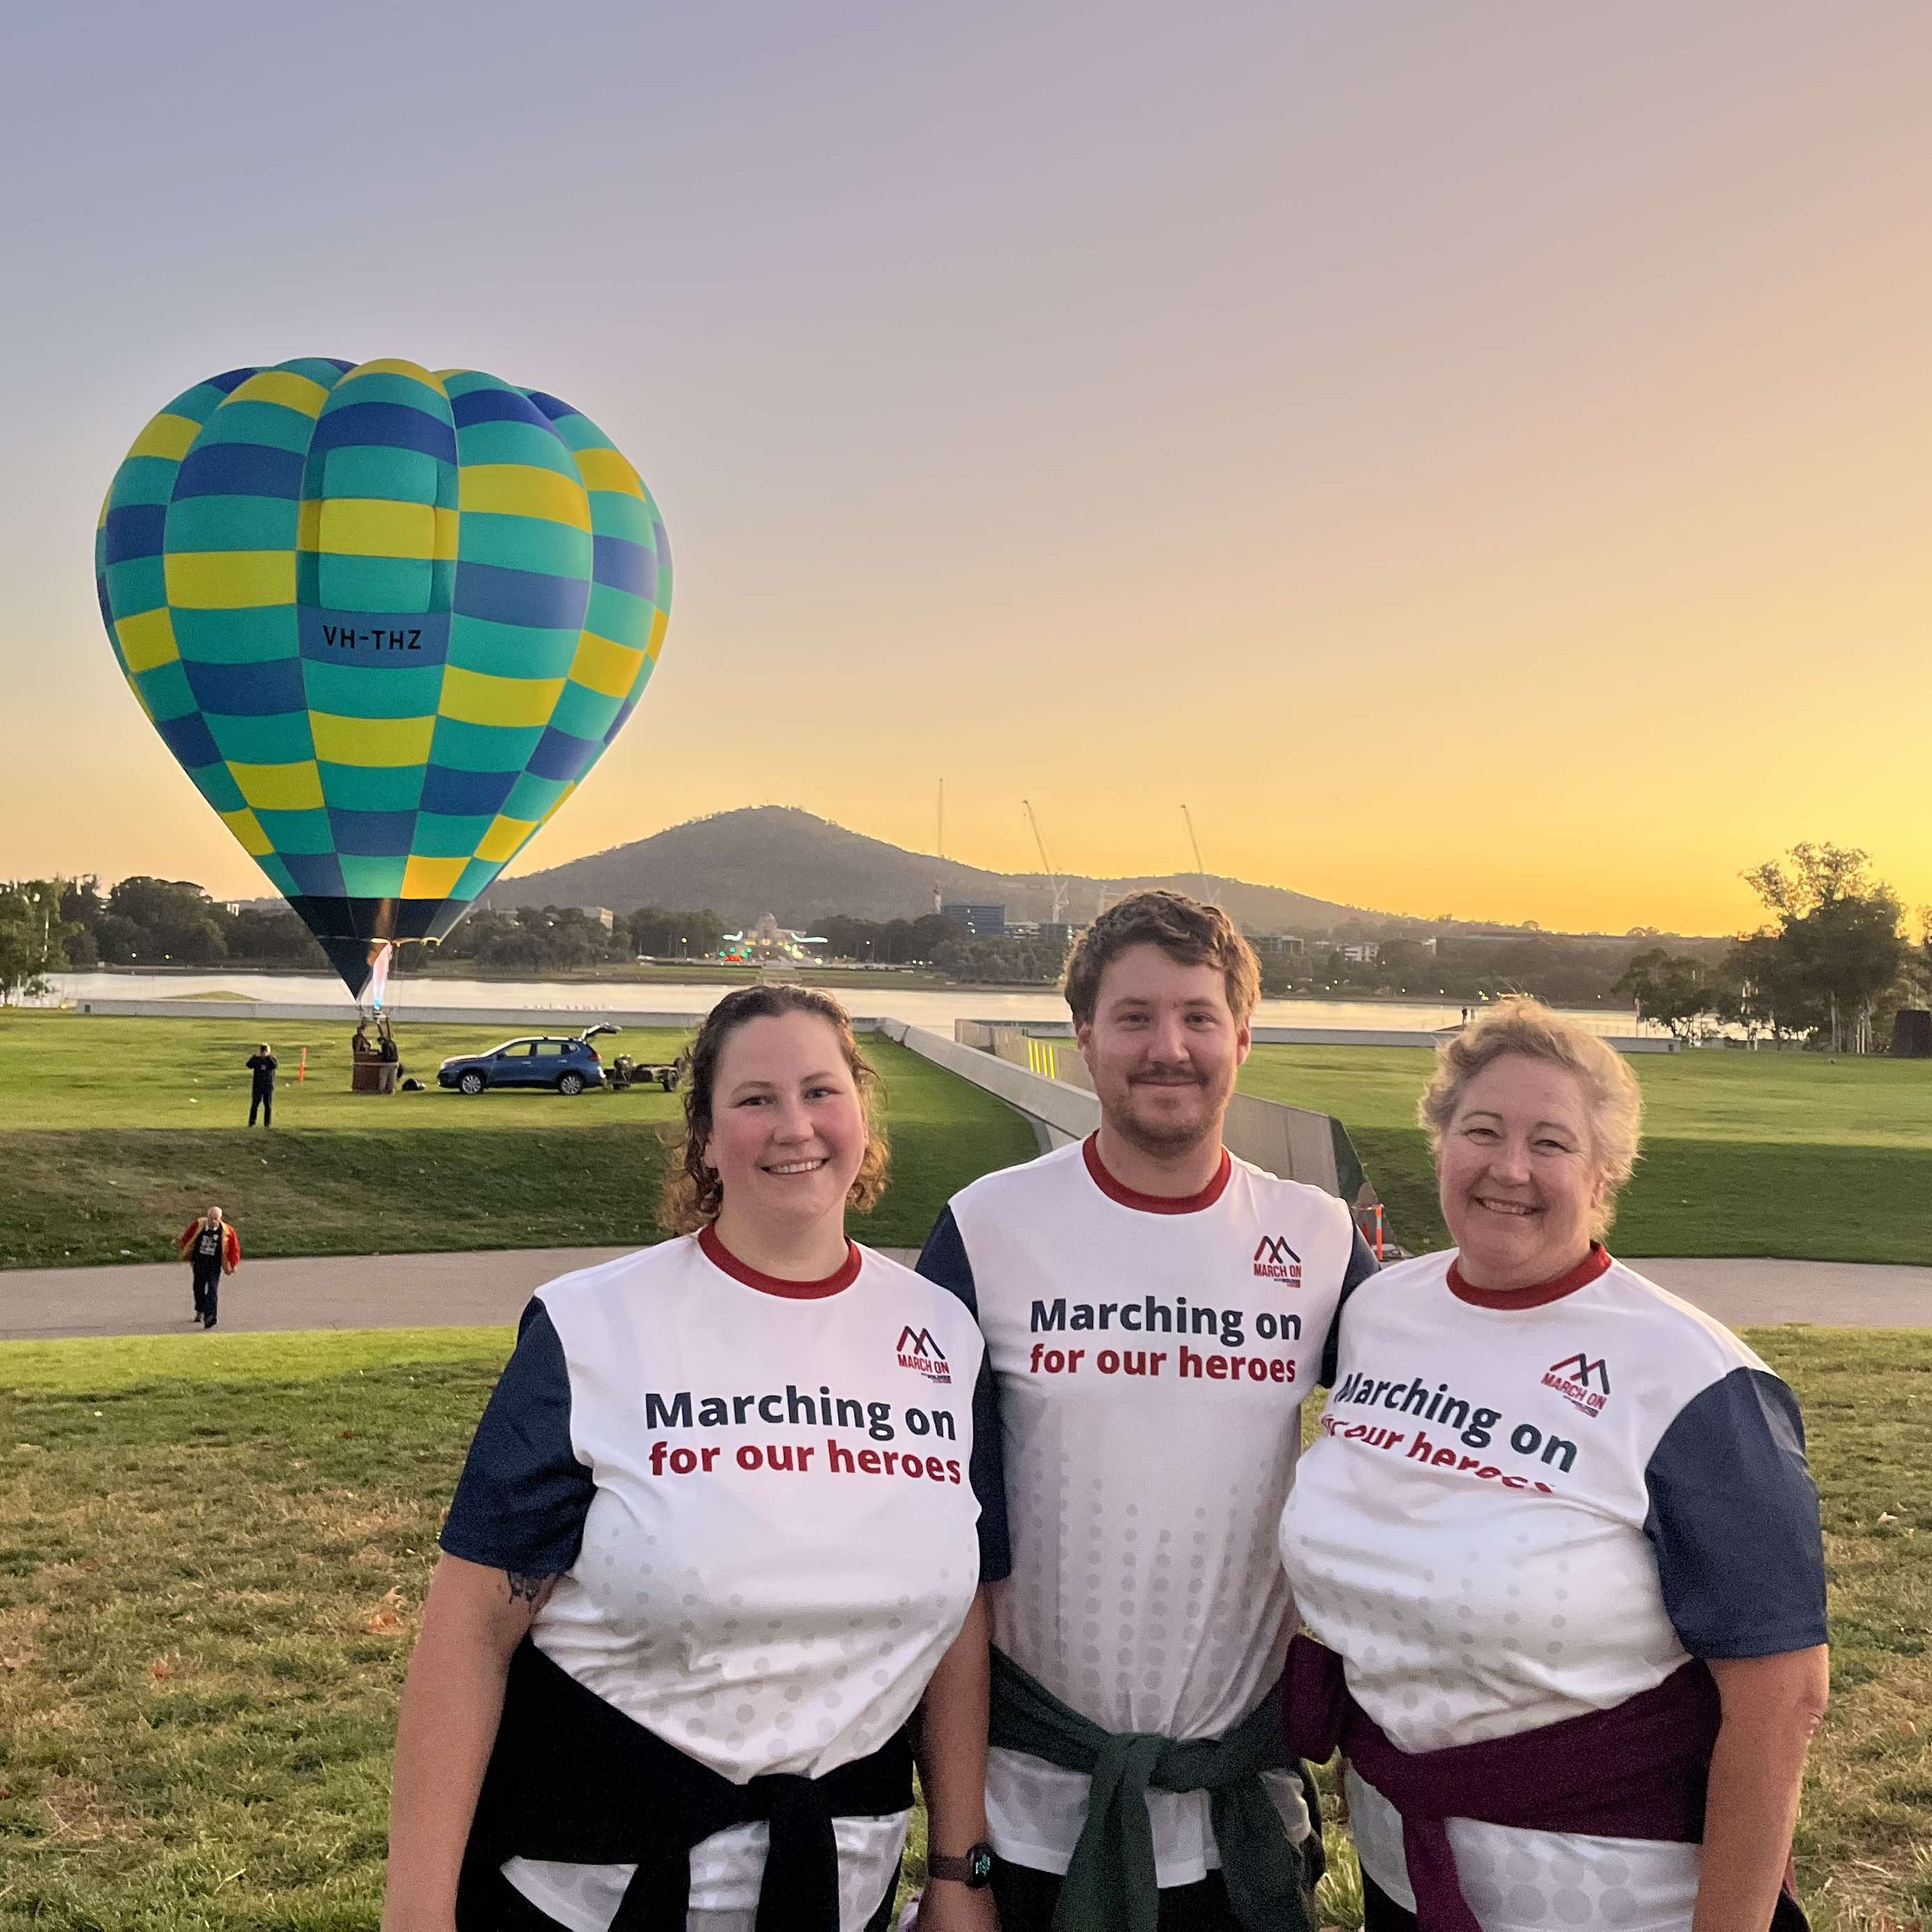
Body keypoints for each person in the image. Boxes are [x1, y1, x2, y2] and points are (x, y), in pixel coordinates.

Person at [383, 984, 1007, 1932]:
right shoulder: (591, 1326)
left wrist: (959, 1868)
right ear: (706, 1139)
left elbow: (957, 1612)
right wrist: (418, 1912)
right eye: (755, 1099)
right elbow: (470, 1634)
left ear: (861, 1113)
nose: (794, 1125)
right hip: (591, 1892)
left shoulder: (942, 1335)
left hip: (838, 1886)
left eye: (821, 1091)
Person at [1279, 1000, 1828, 1932]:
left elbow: (1781, 1702)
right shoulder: (1380, 1312)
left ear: (1604, 1170)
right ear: (1440, 1142)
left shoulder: (1693, 1379)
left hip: (1614, 1896)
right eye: (1481, 1131)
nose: (1509, 1168)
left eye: (1551, 1142)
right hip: (1401, 1872)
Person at [917, 892, 1378, 1931]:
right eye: (1133, 1017)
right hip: (1030, 1814)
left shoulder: (1315, 1236)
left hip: (1237, 1814)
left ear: (1242, 1037)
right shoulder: (988, 1227)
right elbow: (946, 1559)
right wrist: (955, 1860)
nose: (1168, 1048)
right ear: (1083, 1037)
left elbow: (1419, 1465)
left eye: (1197, 1017)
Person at [176, 1204, 239, 1330]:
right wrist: (185, 1251)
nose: (213, 1221)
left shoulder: (227, 1231)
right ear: (207, 1217)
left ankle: (210, 1317)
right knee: (198, 1287)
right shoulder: (199, 1225)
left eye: (216, 1219)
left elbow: (234, 1248)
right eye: (211, 1218)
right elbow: (187, 1238)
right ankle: (200, 1309)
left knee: (212, 1289)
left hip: (214, 1264)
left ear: (220, 1219)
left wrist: (233, 1264)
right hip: (199, 1261)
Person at [246, 1043, 277, 1126]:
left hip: (268, 1086)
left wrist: (268, 1057)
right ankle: (252, 1123)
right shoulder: (256, 1060)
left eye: (265, 1051)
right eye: (262, 1051)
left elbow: (275, 1065)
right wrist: (255, 1057)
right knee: (255, 1104)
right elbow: (248, 1065)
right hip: (257, 1086)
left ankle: (267, 1124)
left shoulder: (271, 1059)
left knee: (268, 1105)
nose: (263, 1053)